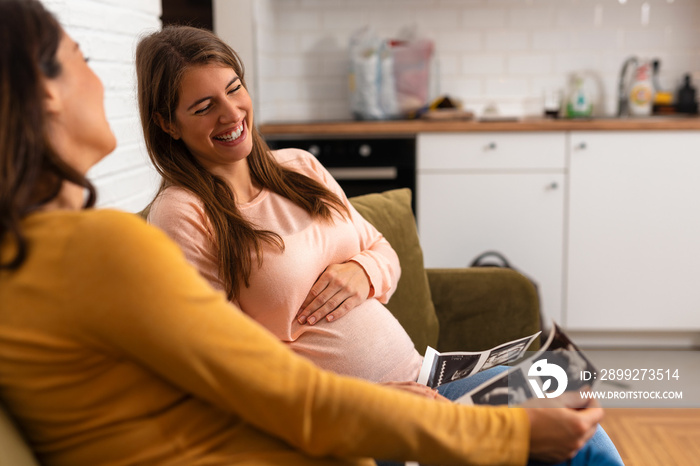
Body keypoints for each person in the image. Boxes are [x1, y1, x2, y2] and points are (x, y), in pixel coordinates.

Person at [0, 1, 610, 464]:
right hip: (367, 425)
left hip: (410, 391)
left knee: (572, 397)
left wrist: (362, 270)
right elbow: (281, 394)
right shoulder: (121, 240)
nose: (98, 76)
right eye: (80, 54)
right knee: (578, 435)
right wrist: (504, 434)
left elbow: (370, 259)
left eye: (233, 91)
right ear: (46, 92)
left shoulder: (53, 254)